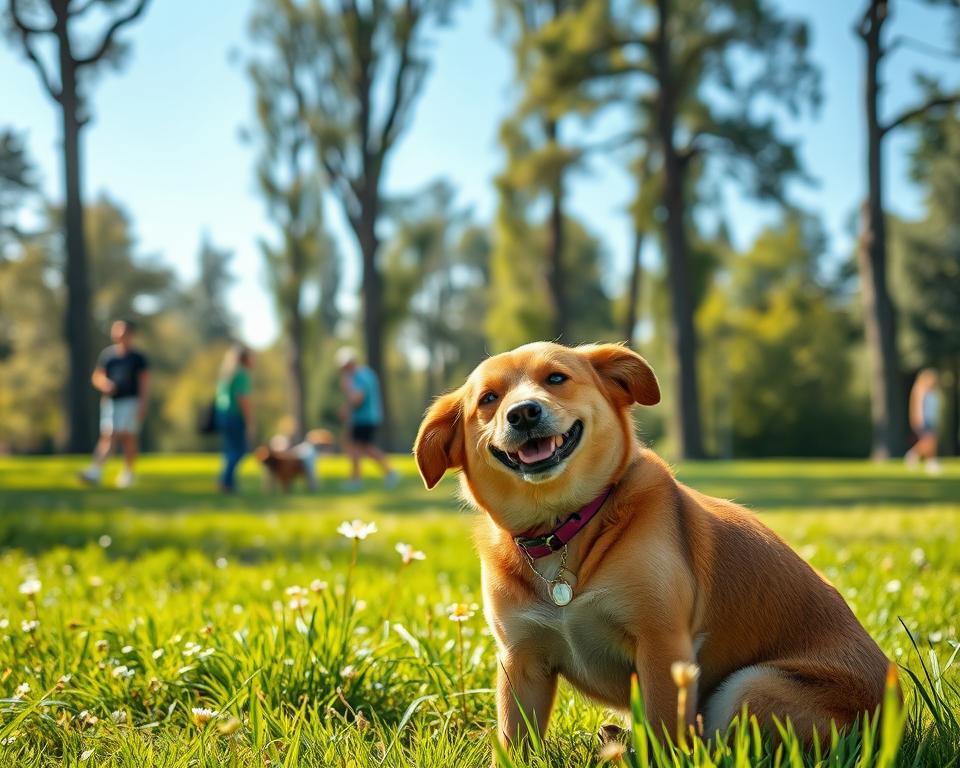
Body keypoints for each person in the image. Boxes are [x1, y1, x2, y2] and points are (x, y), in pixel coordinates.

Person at [80, 319, 150, 488]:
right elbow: (97, 376)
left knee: (127, 438)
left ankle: (127, 472)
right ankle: (96, 470)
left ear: (130, 334)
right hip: (111, 402)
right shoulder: (108, 355)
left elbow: (144, 384)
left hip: (130, 402)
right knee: (109, 435)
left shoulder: (137, 358)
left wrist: (143, 405)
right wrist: (105, 384)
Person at [336, 346, 398, 490]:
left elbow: (358, 398)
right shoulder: (365, 374)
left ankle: (358, 480)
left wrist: (346, 388)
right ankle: (387, 473)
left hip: (365, 418)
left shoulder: (359, 376)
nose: (344, 370)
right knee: (363, 448)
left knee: (359, 448)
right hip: (367, 417)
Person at [215, 344, 254, 492]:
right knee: (240, 450)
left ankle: (229, 482)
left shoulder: (227, 374)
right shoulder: (242, 374)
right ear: (245, 359)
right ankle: (225, 481)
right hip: (234, 416)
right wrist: (250, 422)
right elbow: (242, 399)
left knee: (229, 451)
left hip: (223, 415)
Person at [906, 368, 942, 474]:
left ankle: (929, 461)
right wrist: (919, 419)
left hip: (931, 419)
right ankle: (913, 455)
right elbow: (917, 406)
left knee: (931, 442)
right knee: (928, 441)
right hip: (923, 420)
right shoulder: (919, 389)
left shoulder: (932, 391)